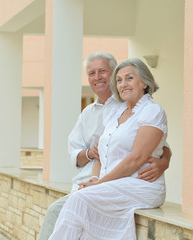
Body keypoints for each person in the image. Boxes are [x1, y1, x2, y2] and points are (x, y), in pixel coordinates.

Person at [37, 53, 171, 240]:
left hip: (134, 183)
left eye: (129, 78)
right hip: (104, 182)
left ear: (144, 82)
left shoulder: (150, 111)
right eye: (119, 80)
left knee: (76, 203)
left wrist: (165, 160)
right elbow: (94, 152)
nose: (123, 84)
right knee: (77, 217)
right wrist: (94, 176)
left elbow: (143, 154)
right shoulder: (112, 113)